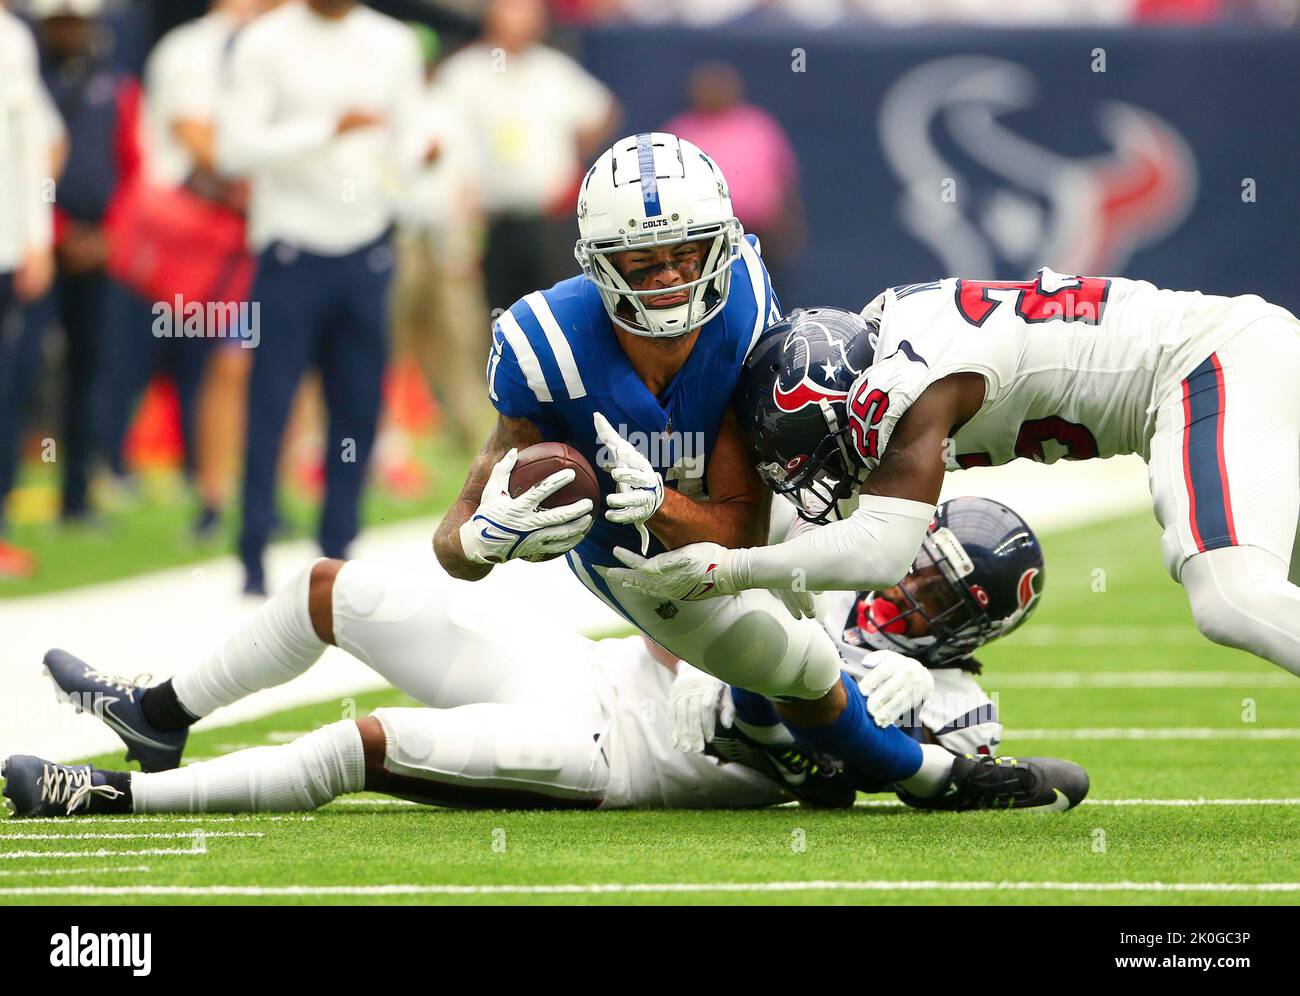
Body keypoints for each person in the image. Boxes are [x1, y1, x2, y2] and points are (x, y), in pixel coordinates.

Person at [430, 131, 1075, 806]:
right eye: (643, 261)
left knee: (816, 585)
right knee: (791, 657)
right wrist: (480, 542)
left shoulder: (740, 302)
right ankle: (930, 778)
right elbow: (454, 549)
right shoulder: (541, 346)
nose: (672, 278)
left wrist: (666, 503)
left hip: (727, 508)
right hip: (627, 555)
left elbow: (739, 532)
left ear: (722, 244)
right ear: (598, 264)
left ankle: (789, 742)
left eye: (688, 254)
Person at [7, 498, 1087, 817]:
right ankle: (159, 710)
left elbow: (1049, 786)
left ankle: (111, 804)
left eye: (939, 591)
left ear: (976, 625)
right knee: (332, 588)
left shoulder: (946, 697)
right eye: (919, 565)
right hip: (591, 669)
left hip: (611, 756)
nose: (907, 586)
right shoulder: (851, 570)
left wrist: (896, 731)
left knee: (361, 744)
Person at [612, 279, 1300, 680]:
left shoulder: (910, 386)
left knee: (1232, 596)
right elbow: (818, 546)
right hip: (1237, 355)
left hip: (1212, 365)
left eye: (819, 458)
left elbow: (879, 553)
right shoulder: (873, 357)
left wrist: (731, 569)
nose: (825, 480)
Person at [216, 0, 425, 594]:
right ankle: (253, 550)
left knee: (357, 406)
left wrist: (421, 161)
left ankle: (338, 549)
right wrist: (326, 128)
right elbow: (235, 148)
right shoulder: (264, 42)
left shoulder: (392, 41)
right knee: (272, 404)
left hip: (366, 245)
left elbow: (407, 137)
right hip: (291, 246)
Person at [436, 0, 619, 312]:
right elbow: (443, 140)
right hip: (487, 223)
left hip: (546, 221)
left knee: (554, 308)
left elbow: (603, 111)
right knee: (491, 313)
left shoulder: (552, 70)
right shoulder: (464, 73)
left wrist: (568, 161)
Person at [661, 62, 803, 290]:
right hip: (704, 232)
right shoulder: (681, 131)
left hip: (758, 229)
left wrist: (789, 221)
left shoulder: (757, 125)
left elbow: (783, 177)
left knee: (764, 287)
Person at [0, 0, 55, 579]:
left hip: (5, 246)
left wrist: (36, 237)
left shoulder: (13, 38)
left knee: (7, 390)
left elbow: (35, 144)